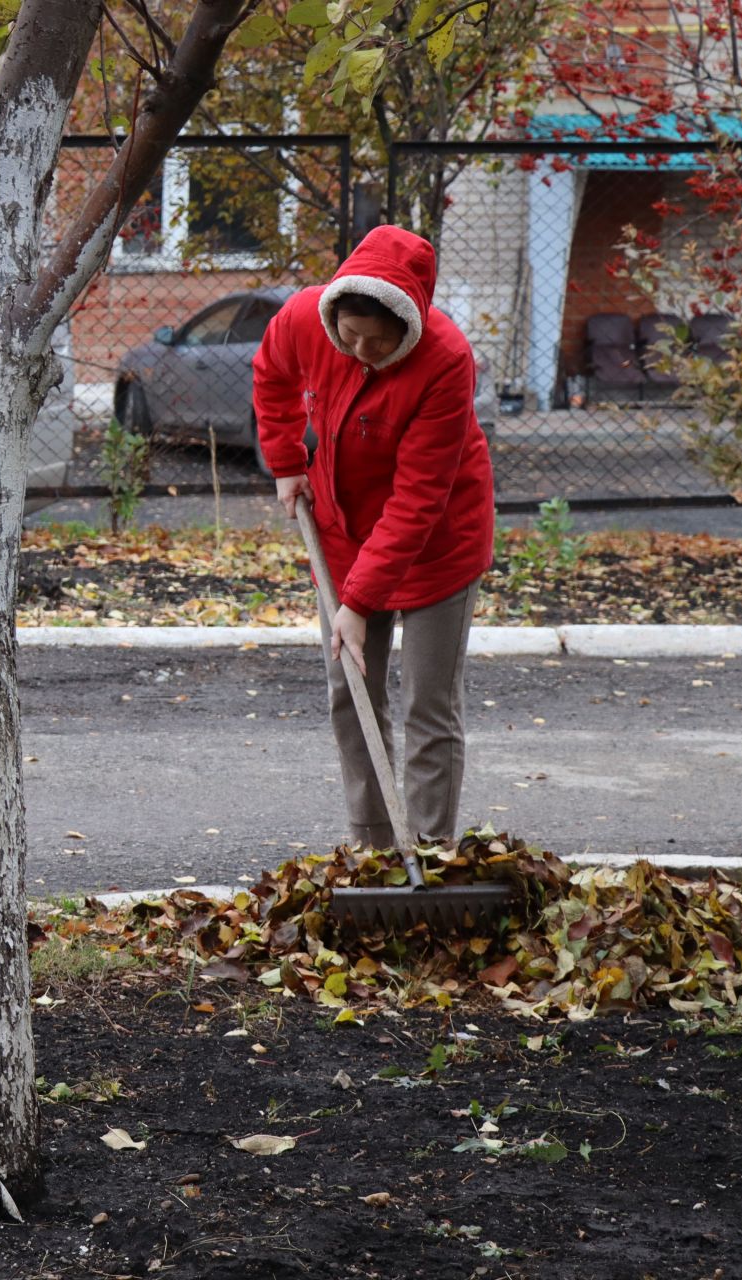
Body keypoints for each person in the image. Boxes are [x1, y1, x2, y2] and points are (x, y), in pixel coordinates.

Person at [252, 224, 496, 849]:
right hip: (340, 534)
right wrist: (285, 460)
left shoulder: (446, 360)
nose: (358, 350)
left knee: (426, 705)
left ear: (407, 329)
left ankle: (432, 855)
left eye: (377, 342)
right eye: (348, 336)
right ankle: (375, 846)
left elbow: (418, 499)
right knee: (352, 693)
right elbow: (272, 374)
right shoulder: (307, 316)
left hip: (438, 542)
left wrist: (358, 605)